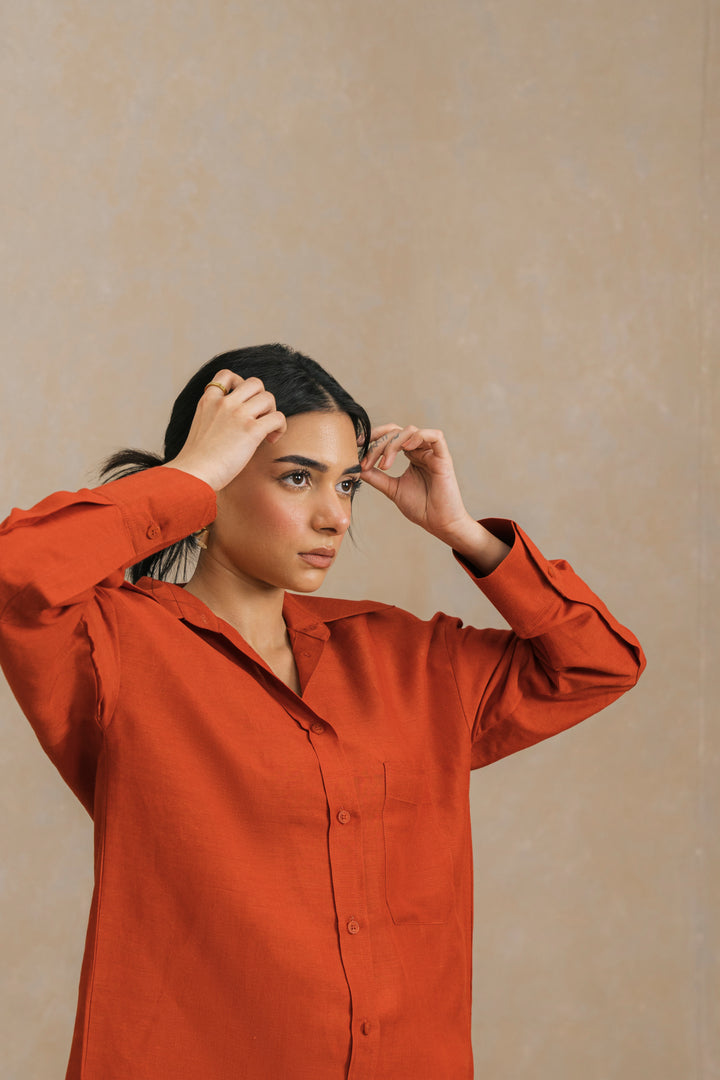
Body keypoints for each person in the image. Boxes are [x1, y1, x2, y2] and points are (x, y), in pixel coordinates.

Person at [0, 344, 645, 1080]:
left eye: (346, 486)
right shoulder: (114, 647)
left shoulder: (406, 657)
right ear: (215, 480)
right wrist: (186, 476)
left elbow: (597, 664)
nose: (334, 516)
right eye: (297, 478)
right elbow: (16, 576)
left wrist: (465, 531)